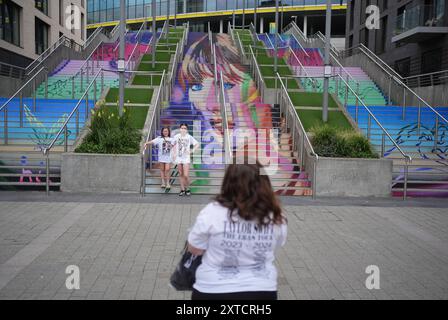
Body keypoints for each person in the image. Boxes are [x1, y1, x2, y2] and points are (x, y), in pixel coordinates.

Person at [187, 161, 288, 300]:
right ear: (263, 182)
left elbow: (194, 249)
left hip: (212, 288)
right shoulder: (276, 215)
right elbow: (276, 245)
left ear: (228, 182)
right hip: (261, 289)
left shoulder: (212, 211)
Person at [172, 123, 200, 196]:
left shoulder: (189, 137)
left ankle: (187, 188)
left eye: (184, 128)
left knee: (186, 175)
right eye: (182, 128)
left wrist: (191, 151)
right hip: (178, 157)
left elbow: (197, 144)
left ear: (187, 129)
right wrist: (174, 153)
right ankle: (182, 189)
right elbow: (172, 144)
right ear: (180, 129)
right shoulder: (176, 136)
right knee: (181, 174)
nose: (183, 129)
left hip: (186, 158)